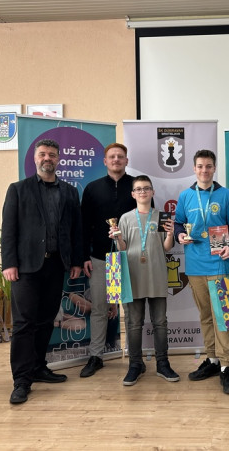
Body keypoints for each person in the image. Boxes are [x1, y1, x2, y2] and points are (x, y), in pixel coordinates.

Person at [1, 139, 83, 404]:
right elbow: (9, 229)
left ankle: (38, 367)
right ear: (35, 158)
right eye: (43, 154)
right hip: (25, 267)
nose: (47, 158)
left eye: (52, 154)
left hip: (56, 265)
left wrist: (76, 261)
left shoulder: (70, 192)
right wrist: (9, 263)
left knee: (46, 320)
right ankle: (21, 380)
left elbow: (75, 230)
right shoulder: (18, 189)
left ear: (58, 159)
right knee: (24, 324)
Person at [174, 150, 229, 395]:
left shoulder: (225, 194)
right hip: (195, 266)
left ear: (214, 168)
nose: (204, 170)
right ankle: (212, 360)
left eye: (209, 166)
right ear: (194, 168)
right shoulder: (185, 196)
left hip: (219, 263)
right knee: (205, 316)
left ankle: (226, 366)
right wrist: (180, 235)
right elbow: (178, 223)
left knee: (222, 317)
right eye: (200, 166)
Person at [111, 175, 180, 385]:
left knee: (160, 322)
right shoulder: (125, 218)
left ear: (152, 192)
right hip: (132, 276)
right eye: (139, 189)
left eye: (146, 188)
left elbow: (166, 248)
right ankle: (135, 364)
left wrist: (170, 234)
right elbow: (123, 248)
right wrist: (118, 238)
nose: (143, 192)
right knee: (133, 323)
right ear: (133, 194)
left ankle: (163, 364)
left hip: (156, 275)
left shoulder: (162, 216)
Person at [79, 143, 137, 378]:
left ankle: (135, 357)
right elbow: (83, 225)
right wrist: (84, 255)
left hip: (129, 257)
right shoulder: (92, 189)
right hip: (101, 258)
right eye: (112, 156)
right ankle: (96, 356)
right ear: (105, 161)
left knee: (131, 310)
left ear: (126, 160)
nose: (116, 160)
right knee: (100, 310)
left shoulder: (137, 187)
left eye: (120, 156)